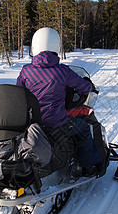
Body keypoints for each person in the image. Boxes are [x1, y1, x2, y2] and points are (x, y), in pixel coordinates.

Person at [16, 27, 103, 176]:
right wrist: (90, 86)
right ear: (56, 45)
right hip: (56, 123)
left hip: (32, 124)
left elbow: (18, 93)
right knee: (83, 128)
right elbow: (83, 87)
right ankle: (89, 166)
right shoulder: (62, 71)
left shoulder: (26, 71)